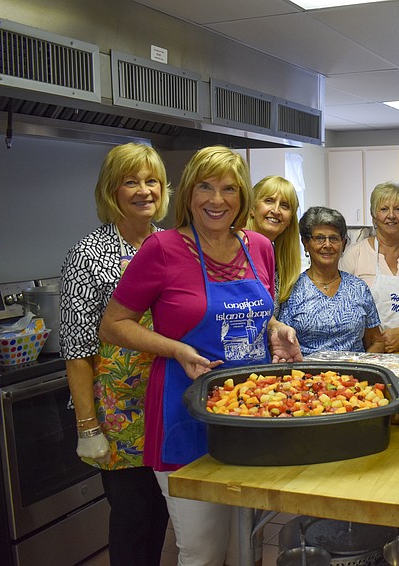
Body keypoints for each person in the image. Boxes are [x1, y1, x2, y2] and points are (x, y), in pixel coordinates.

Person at [99, 145, 302, 566]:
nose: (216, 199)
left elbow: (252, 314)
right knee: (203, 550)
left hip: (252, 416)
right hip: (184, 412)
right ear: (188, 193)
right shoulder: (162, 249)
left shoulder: (259, 247)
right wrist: (176, 348)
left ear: (242, 198)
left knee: (245, 546)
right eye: (205, 187)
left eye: (229, 189)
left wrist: (275, 328)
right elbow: (114, 325)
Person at [60, 142, 170, 566]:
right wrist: (88, 427)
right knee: (132, 518)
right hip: (117, 413)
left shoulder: (171, 246)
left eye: (151, 181)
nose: (144, 190)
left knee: (161, 513)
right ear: (112, 190)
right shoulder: (89, 255)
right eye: (131, 182)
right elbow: (77, 347)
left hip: (164, 401)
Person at [339, 181, 399, 352]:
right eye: (384, 209)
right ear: (373, 215)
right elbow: (341, 308)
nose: (391, 215)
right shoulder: (355, 255)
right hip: (365, 352)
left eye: (398, 209)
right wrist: (377, 341)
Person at [279, 206, 384, 354]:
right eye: (319, 238)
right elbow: (282, 344)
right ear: (306, 244)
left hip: (354, 374)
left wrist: (362, 368)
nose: (327, 245)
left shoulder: (358, 288)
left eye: (334, 238)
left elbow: (376, 341)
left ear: (343, 244)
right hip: (307, 374)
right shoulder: (292, 290)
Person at [247, 175, 301, 317]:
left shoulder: (279, 264)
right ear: (252, 208)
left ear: (290, 219)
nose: (276, 211)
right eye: (269, 201)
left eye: (285, 205)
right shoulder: (234, 251)